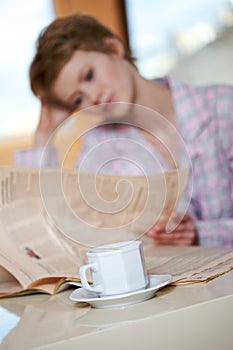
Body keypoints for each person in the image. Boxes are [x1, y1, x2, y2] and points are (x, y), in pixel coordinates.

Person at [15, 14, 233, 248]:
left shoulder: (222, 107)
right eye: (77, 99)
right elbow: (53, 240)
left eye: (89, 75)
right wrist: (43, 136)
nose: (93, 97)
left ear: (113, 47)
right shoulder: (99, 149)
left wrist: (202, 233)